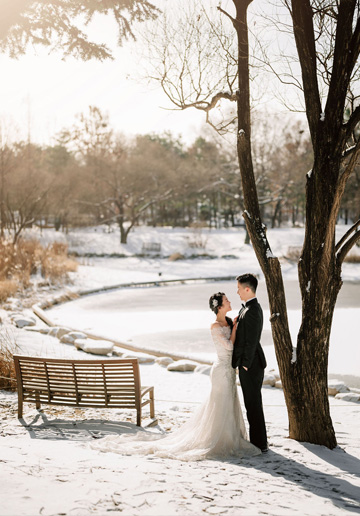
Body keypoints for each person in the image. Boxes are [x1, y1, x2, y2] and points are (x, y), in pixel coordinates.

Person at [90, 292, 261, 461]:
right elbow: (230, 347)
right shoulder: (215, 326)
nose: (230, 301)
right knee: (220, 405)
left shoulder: (230, 321)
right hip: (220, 371)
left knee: (228, 405)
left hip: (229, 371)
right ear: (219, 307)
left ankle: (230, 438)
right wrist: (237, 328)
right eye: (226, 300)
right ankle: (218, 440)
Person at [232, 273, 268, 453]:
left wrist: (245, 363)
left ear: (247, 289)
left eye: (239, 289)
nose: (237, 292)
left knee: (253, 404)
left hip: (252, 364)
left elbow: (252, 339)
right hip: (249, 363)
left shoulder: (253, 310)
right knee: (251, 404)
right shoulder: (246, 308)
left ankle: (260, 444)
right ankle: (258, 441)